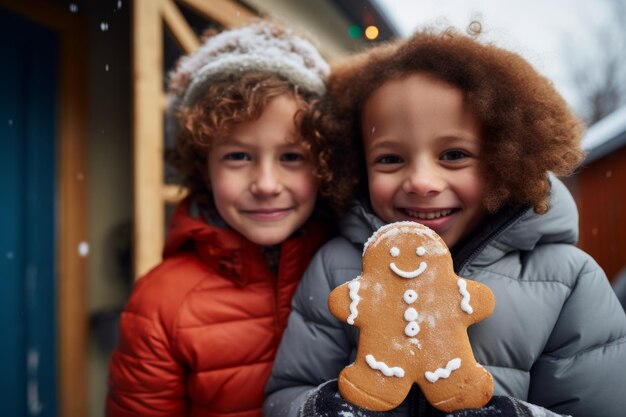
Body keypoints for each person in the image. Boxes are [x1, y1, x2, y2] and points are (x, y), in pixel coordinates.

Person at [264, 23, 626, 417]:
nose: (421, 181)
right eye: (389, 159)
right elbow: (285, 393)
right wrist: (316, 408)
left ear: (505, 160)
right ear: (356, 166)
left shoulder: (567, 282)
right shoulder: (335, 268)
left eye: (453, 155)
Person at [106, 20, 353, 417]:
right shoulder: (160, 305)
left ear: (323, 163)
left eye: (292, 157)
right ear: (204, 166)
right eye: (238, 156)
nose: (267, 184)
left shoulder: (358, 268)